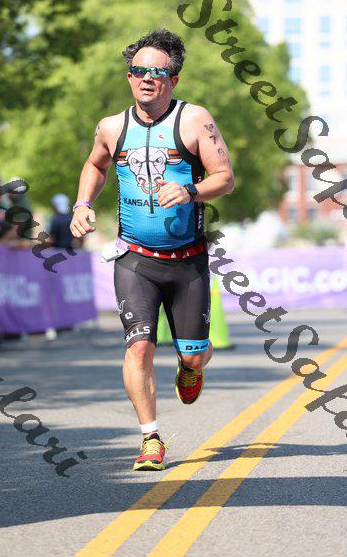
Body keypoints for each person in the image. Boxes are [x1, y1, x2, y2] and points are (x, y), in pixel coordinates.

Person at [70, 29, 234, 471]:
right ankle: (150, 439)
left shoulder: (194, 120)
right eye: (138, 70)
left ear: (172, 80)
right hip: (135, 260)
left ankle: (191, 365)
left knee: (193, 352)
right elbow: (95, 164)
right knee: (139, 347)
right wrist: (82, 204)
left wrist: (191, 190)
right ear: (129, 77)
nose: (146, 78)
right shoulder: (111, 127)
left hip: (187, 261)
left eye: (157, 72)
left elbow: (224, 178)